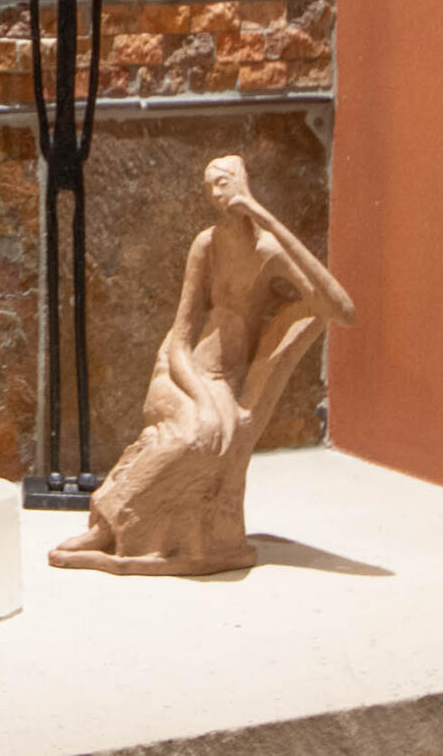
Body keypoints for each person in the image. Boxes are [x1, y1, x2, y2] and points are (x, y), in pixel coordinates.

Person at [49, 154, 356, 575]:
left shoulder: (269, 251)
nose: (216, 193)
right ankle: (110, 520)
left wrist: (263, 215)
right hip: (181, 372)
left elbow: (340, 308)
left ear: (242, 183)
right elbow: (179, 336)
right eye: (209, 185)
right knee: (198, 434)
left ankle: (147, 531)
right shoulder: (206, 244)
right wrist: (199, 394)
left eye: (223, 182)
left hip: (225, 383)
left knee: (212, 436)